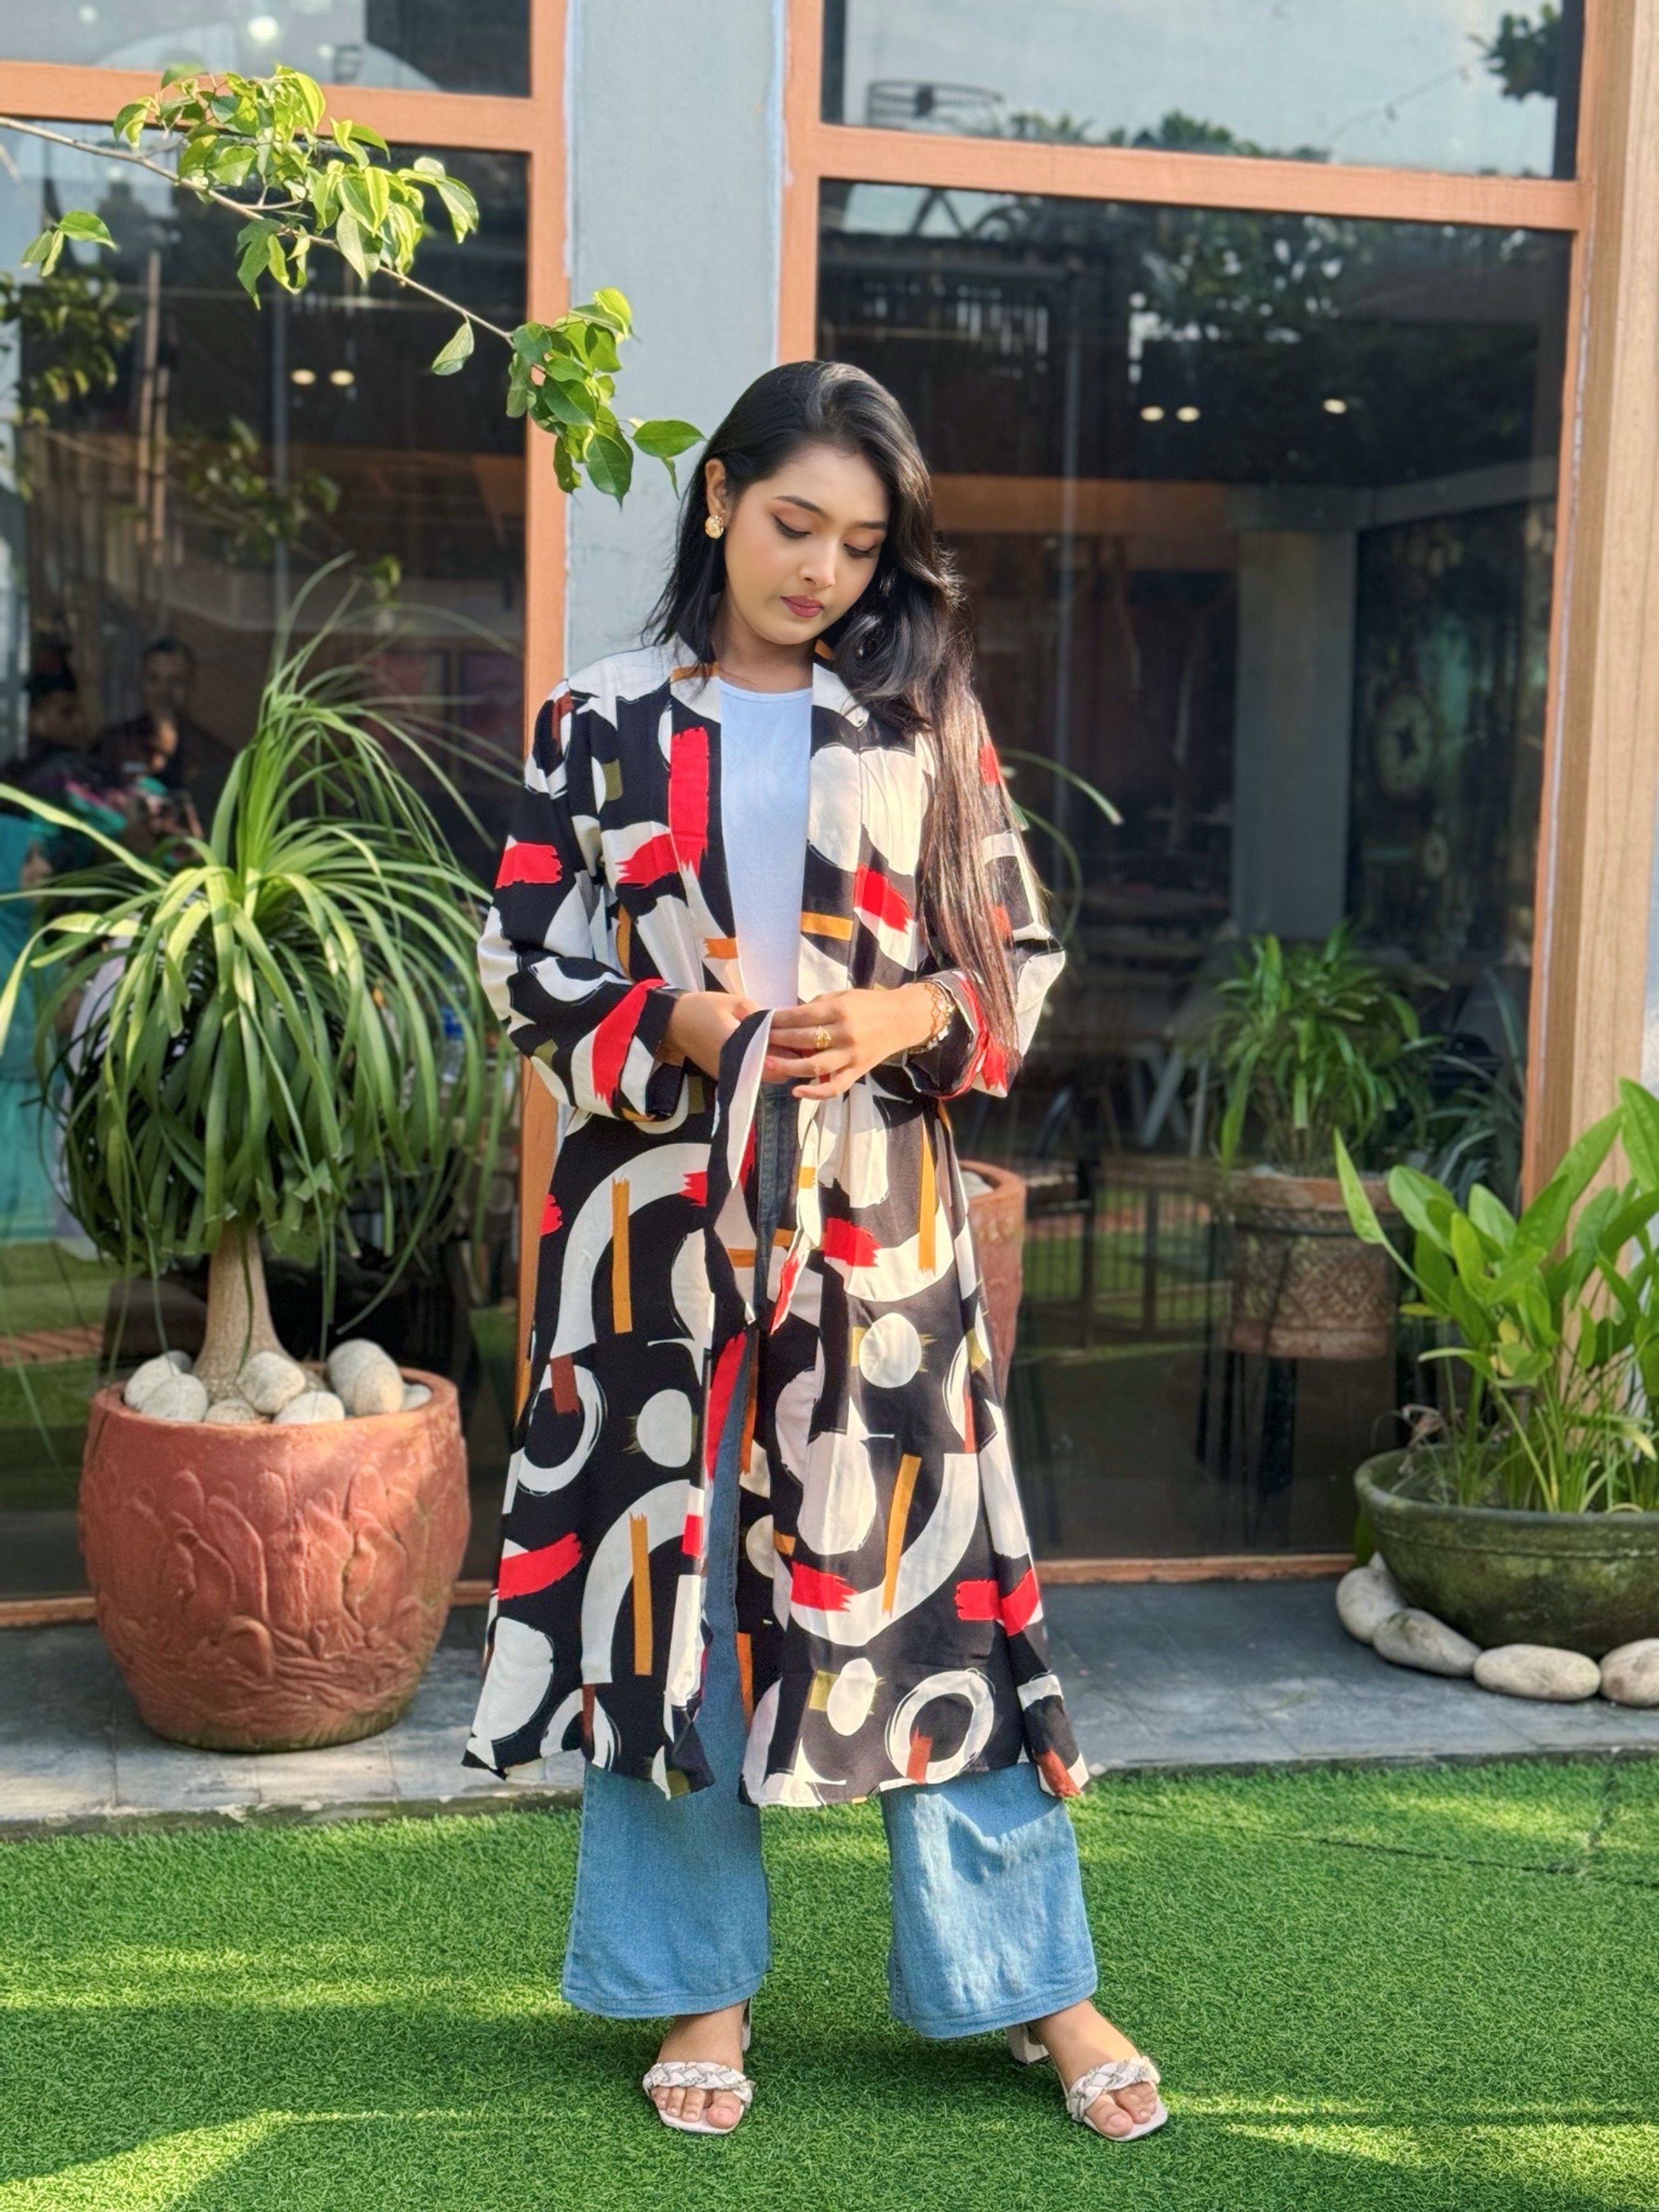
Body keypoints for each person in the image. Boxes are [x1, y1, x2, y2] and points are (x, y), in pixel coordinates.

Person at [465, 361, 1169, 2145]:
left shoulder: (920, 720)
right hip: (653, 1242)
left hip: (873, 1230)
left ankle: (1032, 1983)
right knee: (673, 1597)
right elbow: (522, 967)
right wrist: (679, 1025)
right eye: (794, 525)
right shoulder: (596, 720)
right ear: (717, 498)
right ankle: (696, 1984)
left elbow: (1012, 957)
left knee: (937, 1588)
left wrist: (899, 1016)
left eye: (859, 545)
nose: (822, 570)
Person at [99, 634, 232, 830]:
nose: (164, 692)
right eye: (154, 680)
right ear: (142, 682)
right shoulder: (114, 744)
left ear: (191, 684)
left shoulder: (212, 754)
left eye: (176, 681)